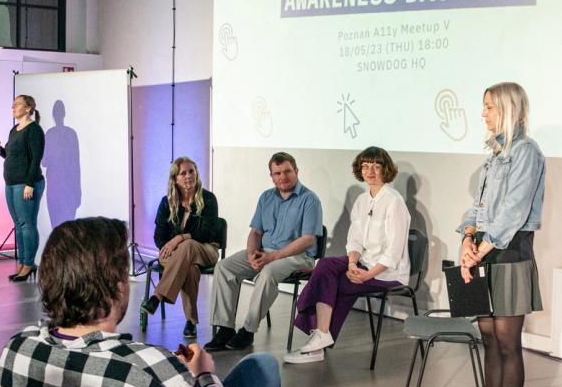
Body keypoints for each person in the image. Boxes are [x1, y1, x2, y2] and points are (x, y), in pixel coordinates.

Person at [0, 217, 281, 387]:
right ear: (119, 286)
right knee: (261, 368)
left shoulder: (17, 351)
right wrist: (205, 376)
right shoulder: (151, 372)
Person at [450, 82, 546, 387]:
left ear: (507, 108)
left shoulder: (527, 152)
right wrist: (466, 238)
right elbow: (478, 206)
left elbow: (514, 210)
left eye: (488, 107)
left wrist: (481, 248)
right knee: (488, 340)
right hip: (485, 252)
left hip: (510, 253)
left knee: (508, 344)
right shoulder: (493, 155)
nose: (483, 114)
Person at [284, 146, 410, 363]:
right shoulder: (362, 200)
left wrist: (367, 275)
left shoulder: (394, 201)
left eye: (376, 166)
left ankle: (317, 343)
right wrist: (352, 263)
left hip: (388, 274)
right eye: (365, 165)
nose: (370, 171)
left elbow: (393, 253)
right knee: (325, 265)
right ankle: (321, 337)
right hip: (363, 262)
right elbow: (355, 240)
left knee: (335, 284)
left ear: (385, 169)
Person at [204, 152, 323, 352]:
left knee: (267, 273)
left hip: (298, 257)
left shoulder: (310, 199)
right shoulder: (266, 197)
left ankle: (248, 330)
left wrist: (272, 257)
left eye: (287, 172)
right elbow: (256, 232)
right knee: (224, 267)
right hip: (265, 252)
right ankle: (224, 328)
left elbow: (308, 240)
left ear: (296, 171)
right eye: (277, 173)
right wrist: (252, 254)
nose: (282, 177)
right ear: (271, 176)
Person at [142, 157, 220, 339]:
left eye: (191, 171)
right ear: (175, 178)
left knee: (189, 245)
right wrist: (168, 246)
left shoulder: (208, 199)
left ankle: (158, 296)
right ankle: (191, 322)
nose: (188, 176)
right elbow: (159, 236)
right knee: (190, 269)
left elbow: (207, 233)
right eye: (183, 173)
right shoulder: (166, 202)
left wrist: (179, 238)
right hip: (173, 255)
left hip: (206, 249)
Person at [0, 94, 45, 282]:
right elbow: (12, 157)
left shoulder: (34, 130)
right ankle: (22, 263)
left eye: (17, 105)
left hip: (26, 184)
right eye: (12, 104)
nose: (13, 107)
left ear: (28, 108)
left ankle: (28, 264)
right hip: (11, 183)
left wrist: (30, 184)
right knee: (19, 225)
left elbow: (36, 159)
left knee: (27, 224)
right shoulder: (15, 129)